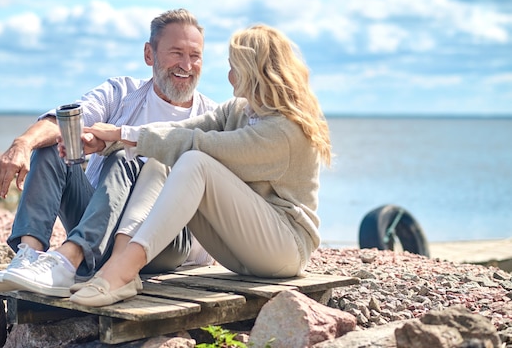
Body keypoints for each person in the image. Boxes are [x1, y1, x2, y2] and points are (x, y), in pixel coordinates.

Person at [65, 24, 333, 307]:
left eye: (234, 67)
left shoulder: (285, 131)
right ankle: (121, 262)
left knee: (194, 159)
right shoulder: (238, 110)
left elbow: (200, 145)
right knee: (160, 161)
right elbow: (179, 129)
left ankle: (125, 268)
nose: (229, 76)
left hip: (285, 250)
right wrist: (115, 138)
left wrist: (122, 134)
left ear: (253, 71)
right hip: (242, 251)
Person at [0, 8, 217, 297]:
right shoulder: (121, 93)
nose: (186, 64)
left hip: (165, 242)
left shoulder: (211, 117)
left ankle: (68, 260)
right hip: (100, 224)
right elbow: (64, 121)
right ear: (149, 54)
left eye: (195, 55)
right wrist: (21, 144)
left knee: (125, 156)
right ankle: (29, 257)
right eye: (176, 53)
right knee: (50, 148)